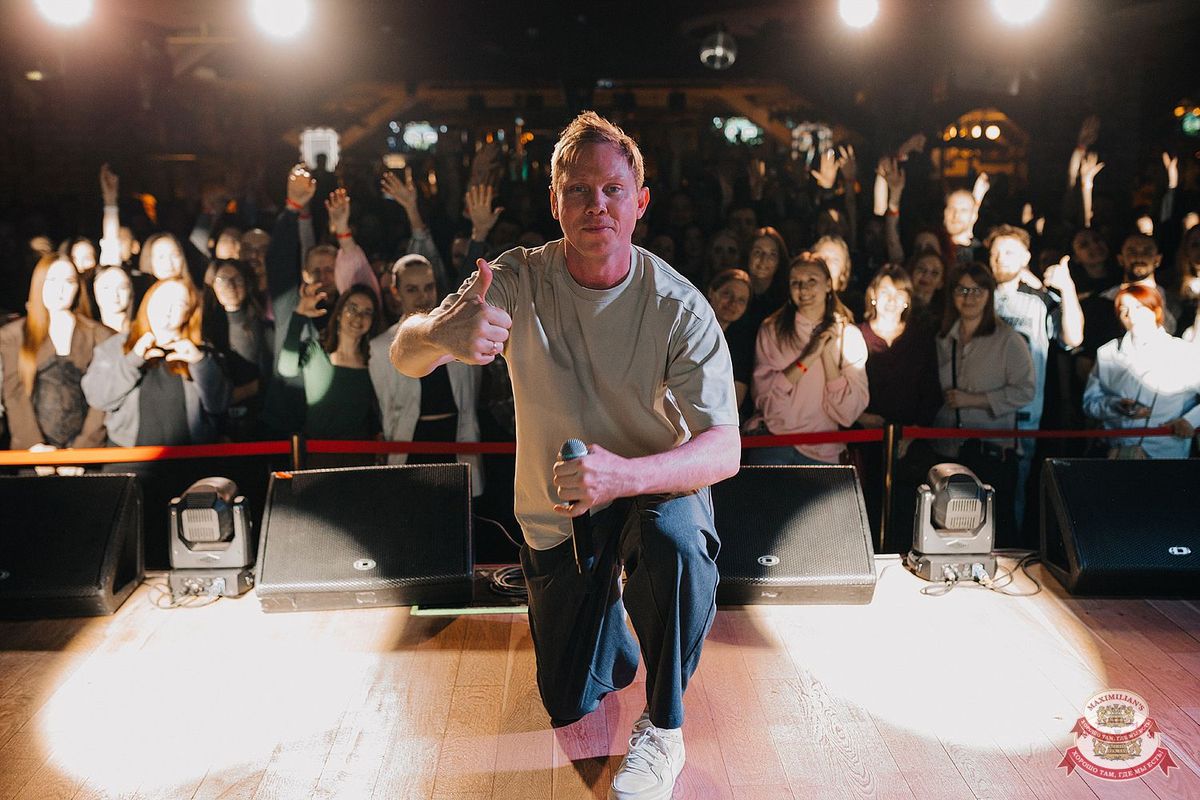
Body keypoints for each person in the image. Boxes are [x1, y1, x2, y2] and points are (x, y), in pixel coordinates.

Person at [389, 112, 739, 800]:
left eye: (612, 190)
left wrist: (625, 476)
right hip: (558, 510)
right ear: (556, 202)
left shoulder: (678, 305)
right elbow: (404, 353)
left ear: (640, 202)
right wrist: (439, 333)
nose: (595, 204)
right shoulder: (517, 277)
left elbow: (724, 448)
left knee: (676, 544)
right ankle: (616, 620)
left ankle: (664, 727)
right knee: (568, 699)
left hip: (647, 489)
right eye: (578, 190)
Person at [931, 263, 1036, 544]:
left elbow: (1026, 390)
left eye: (977, 290)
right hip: (948, 452)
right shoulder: (944, 339)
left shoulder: (1008, 340)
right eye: (962, 290)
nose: (969, 297)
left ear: (989, 294)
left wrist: (975, 400)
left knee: (994, 536)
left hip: (991, 454)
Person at [369, 255, 483, 491]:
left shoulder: (463, 336)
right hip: (410, 443)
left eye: (429, 287)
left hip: (457, 439)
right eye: (412, 289)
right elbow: (387, 406)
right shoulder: (380, 348)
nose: (423, 296)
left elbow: (471, 393)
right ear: (396, 292)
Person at [746, 253, 869, 466]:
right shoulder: (772, 330)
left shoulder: (849, 336)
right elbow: (768, 401)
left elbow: (848, 412)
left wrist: (827, 355)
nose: (803, 289)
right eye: (796, 282)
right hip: (774, 442)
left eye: (812, 280)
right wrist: (809, 356)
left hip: (825, 451)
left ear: (828, 284)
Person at [82, 278, 230, 447]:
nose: (167, 309)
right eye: (162, 299)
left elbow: (219, 404)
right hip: (129, 454)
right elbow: (97, 398)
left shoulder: (202, 352)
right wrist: (133, 360)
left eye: (179, 304)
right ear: (149, 301)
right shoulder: (115, 346)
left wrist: (200, 362)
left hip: (188, 455)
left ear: (189, 313)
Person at [0, 256, 112, 468]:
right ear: (39, 284)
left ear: (77, 288)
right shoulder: (12, 335)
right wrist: (34, 447)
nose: (60, 289)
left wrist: (82, 452)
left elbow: (104, 398)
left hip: (86, 456)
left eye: (68, 281)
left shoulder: (100, 335)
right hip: (31, 455)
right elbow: (14, 394)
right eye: (52, 280)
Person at [1082, 285, 1199, 459]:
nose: (1131, 314)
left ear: (1155, 310)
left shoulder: (1183, 352)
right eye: (1124, 309)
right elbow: (1090, 403)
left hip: (1166, 453)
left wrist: (1190, 420)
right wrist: (1114, 405)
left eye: (1138, 307)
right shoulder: (1107, 353)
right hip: (1118, 452)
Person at [278, 281, 381, 446]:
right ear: (339, 313)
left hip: (359, 453)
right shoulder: (316, 350)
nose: (359, 317)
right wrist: (299, 315)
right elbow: (286, 369)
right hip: (319, 452)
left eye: (367, 312)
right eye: (352, 309)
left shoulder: (374, 360)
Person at [705, 268, 754, 417]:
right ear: (712, 292)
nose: (733, 303)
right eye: (727, 294)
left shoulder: (742, 346)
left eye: (741, 300)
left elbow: (734, 402)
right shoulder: (686, 329)